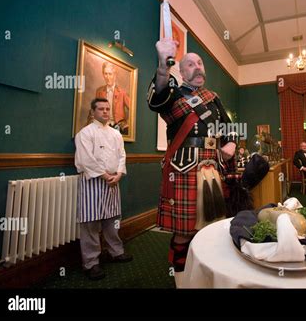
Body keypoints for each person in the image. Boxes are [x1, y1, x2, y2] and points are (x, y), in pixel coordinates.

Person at [147, 38, 237, 281]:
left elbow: (229, 127)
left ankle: (207, 273)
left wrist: (231, 142)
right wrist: (163, 67)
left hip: (212, 165)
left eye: (200, 63)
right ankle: (182, 279)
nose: (197, 67)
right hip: (184, 168)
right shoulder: (172, 93)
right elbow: (156, 100)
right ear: (181, 70)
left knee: (212, 225)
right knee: (184, 230)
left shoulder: (213, 97)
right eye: (190, 64)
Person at [74, 98, 132, 280]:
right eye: (101, 109)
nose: (106, 112)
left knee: (112, 219)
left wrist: (119, 175)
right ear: (93, 112)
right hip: (93, 181)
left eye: (108, 109)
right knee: (90, 223)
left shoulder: (116, 134)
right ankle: (91, 263)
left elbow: (122, 155)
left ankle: (116, 252)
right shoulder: (85, 133)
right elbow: (85, 159)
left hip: (114, 181)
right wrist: (106, 176)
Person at [95, 62, 130, 134]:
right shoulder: (99, 91)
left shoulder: (122, 92)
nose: (107, 77)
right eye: (105, 74)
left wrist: (127, 123)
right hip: (103, 125)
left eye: (110, 74)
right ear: (103, 74)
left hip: (119, 126)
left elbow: (133, 110)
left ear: (115, 75)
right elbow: (95, 110)